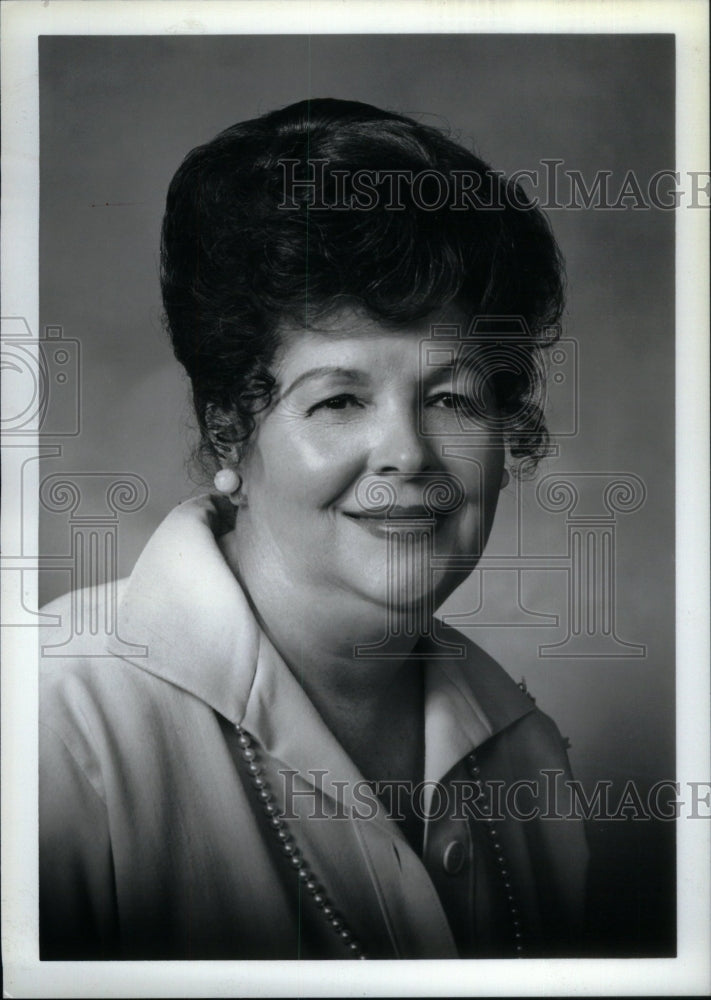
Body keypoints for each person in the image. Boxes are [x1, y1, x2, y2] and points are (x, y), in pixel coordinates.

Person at [39, 98, 588, 960]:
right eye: (337, 400)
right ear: (229, 428)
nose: (406, 453)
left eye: (450, 397)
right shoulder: (49, 727)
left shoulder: (530, 759)